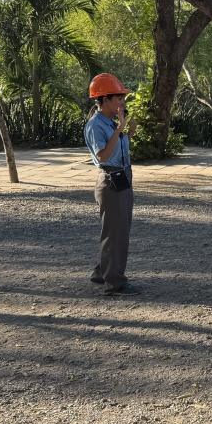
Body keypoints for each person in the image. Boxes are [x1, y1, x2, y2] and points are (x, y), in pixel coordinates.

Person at [85, 73, 137, 296]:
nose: (121, 102)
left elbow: (118, 149)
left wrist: (126, 131)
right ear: (104, 99)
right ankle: (113, 282)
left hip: (122, 177)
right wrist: (119, 130)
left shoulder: (109, 122)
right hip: (111, 179)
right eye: (118, 98)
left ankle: (102, 272)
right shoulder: (96, 125)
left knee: (118, 230)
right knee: (115, 232)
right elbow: (104, 156)